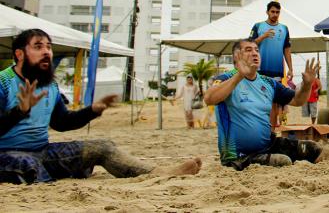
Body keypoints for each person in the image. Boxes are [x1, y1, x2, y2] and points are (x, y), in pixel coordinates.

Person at [0, 29, 202, 184]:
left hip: (42, 151)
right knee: (28, 165)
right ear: (19, 54)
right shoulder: (3, 82)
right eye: (38, 47)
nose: (46, 52)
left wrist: (93, 111)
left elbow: (61, 123)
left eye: (49, 47)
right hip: (7, 154)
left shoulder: (50, 85)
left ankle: (159, 174)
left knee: (102, 147)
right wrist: (20, 111)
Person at [205, 38, 329, 170]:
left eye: (256, 50)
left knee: (313, 148)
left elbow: (298, 100)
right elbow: (210, 98)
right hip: (237, 157)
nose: (254, 53)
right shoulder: (225, 79)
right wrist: (239, 75)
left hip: (268, 144)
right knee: (282, 161)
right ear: (236, 57)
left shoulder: (268, 83)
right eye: (248, 50)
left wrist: (307, 84)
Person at [249, 1, 292, 128]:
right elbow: (250, 44)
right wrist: (263, 36)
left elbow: (287, 49)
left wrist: (290, 68)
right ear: (267, 12)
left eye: (277, 12)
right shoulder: (258, 26)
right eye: (272, 12)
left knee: (274, 102)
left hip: (277, 70)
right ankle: (260, 128)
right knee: (260, 101)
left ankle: (272, 130)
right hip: (260, 70)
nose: (275, 14)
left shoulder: (284, 28)